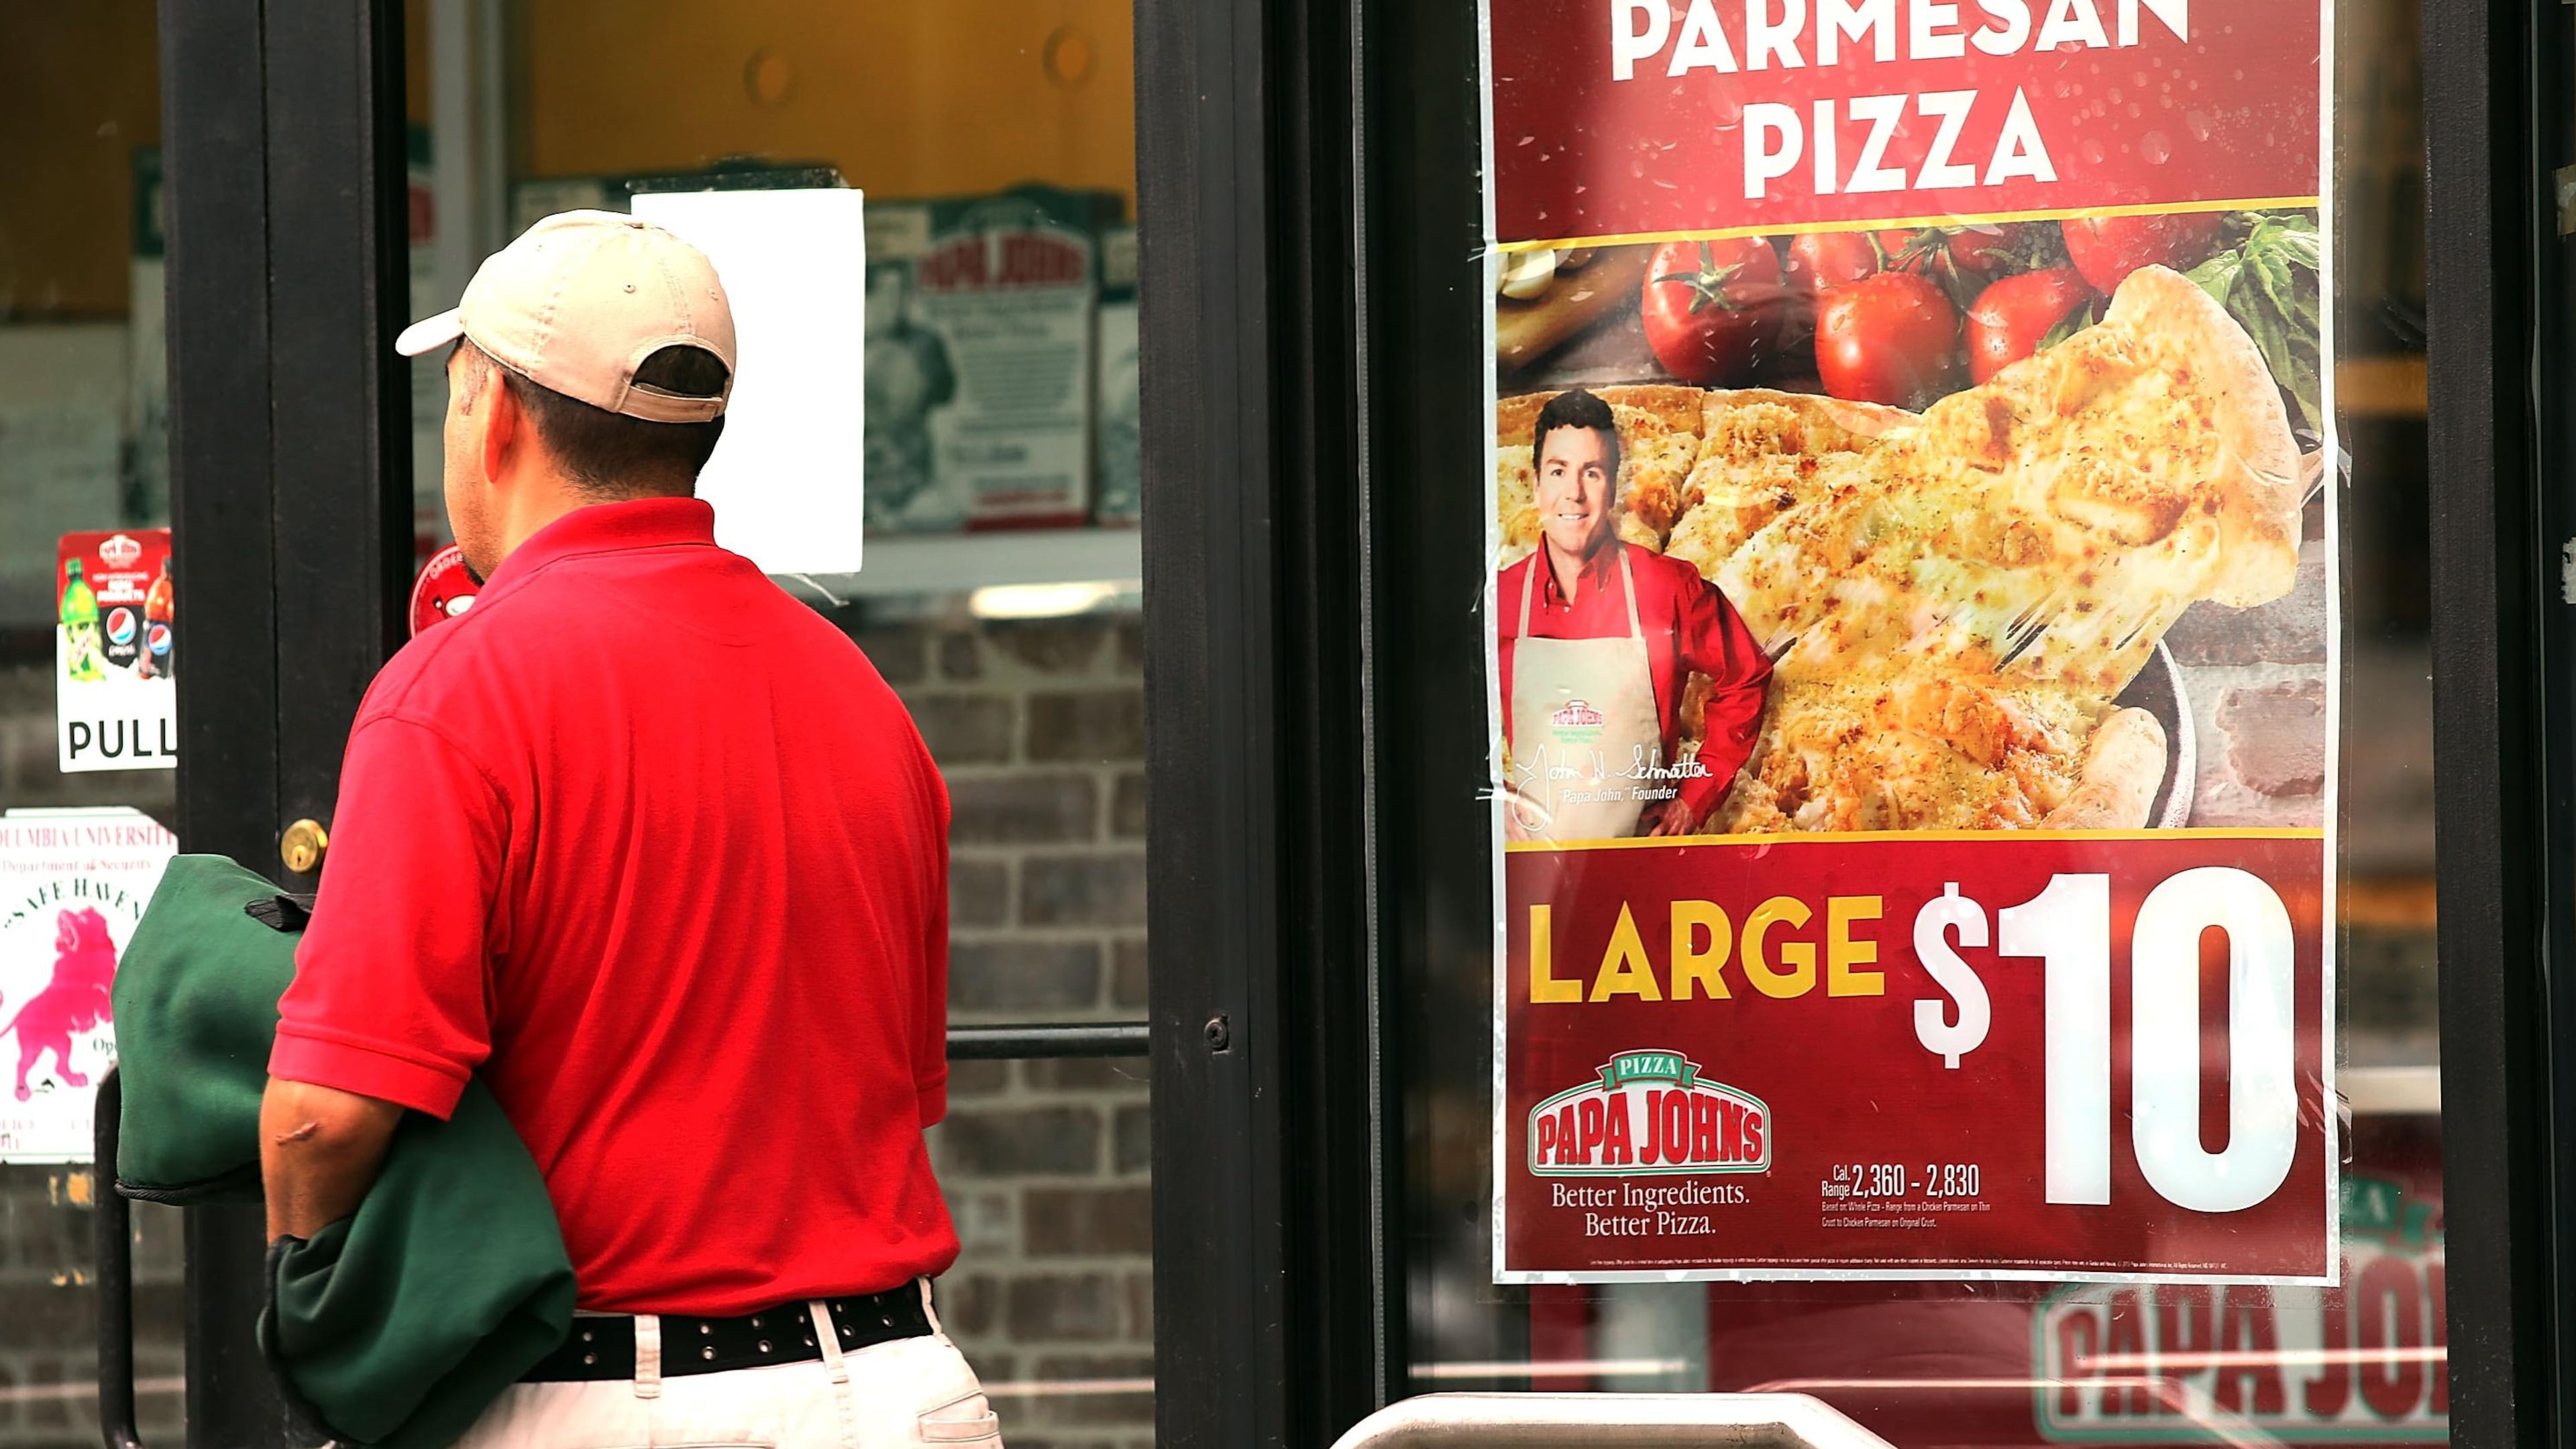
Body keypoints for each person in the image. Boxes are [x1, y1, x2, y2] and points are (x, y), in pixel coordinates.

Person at [258, 212, 999, 1448]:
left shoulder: (455, 694)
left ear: (493, 413)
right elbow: (898, 1094)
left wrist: (315, 1302)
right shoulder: (863, 695)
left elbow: (318, 1116)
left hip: (618, 1396)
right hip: (905, 1390)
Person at [1497, 388, 1772, 841]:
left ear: (1614, 486)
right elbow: (1438, 711)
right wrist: (1493, 794)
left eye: (1592, 473)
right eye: (1559, 472)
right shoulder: (1500, 600)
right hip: (1530, 858)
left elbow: (1746, 677)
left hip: (1646, 851)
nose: (1574, 494)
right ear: (1537, 485)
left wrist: (1694, 799)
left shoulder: (1670, 587)